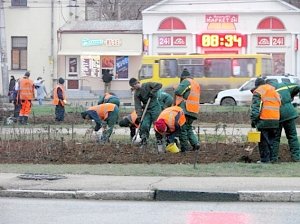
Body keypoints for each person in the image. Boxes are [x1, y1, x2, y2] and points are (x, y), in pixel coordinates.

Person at [267, 80, 300, 162]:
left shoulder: (267, 90)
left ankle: (273, 159)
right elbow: (297, 87)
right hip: (289, 114)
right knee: (292, 136)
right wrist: (291, 95)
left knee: (276, 138)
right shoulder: (284, 85)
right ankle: (297, 158)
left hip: (277, 116)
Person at [250, 78, 281, 163]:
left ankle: (264, 160)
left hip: (264, 119)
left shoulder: (258, 91)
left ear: (257, 85)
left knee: (263, 141)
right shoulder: (274, 91)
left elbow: (255, 108)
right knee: (272, 141)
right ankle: (272, 159)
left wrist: (253, 120)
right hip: (275, 119)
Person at [129, 77, 162, 146]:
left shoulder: (147, 85)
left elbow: (159, 85)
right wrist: (139, 116)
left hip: (155, 107)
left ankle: (159, 141)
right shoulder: (136, 94)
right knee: (144, 125)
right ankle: (144, 140)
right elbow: (137, 105)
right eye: (133, 86)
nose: (134, 87)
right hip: (146, 109)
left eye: (135, 85)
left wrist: (152, 92)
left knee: (157, 125)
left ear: (137, 82)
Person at [174, 68, 200, 152]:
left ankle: (184, 148)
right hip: (194, 110)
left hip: (186, 109)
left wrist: (176, 88)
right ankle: (195, 144)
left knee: (183, 129)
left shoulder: (186, 81)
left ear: (182, 78)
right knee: (188, 128)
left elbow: (178, 91)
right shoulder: (195, 83)